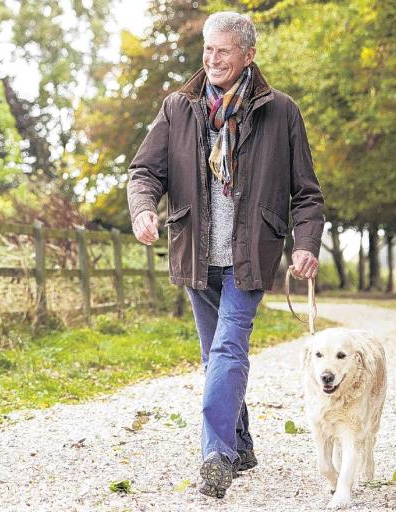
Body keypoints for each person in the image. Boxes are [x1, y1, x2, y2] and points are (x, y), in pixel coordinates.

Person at [127, 11, 325, 499]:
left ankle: (216, 455)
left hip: (249, 257)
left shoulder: (281, 112)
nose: (212, 59)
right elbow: (144, 172)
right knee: (214, 355)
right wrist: (144, 210)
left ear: (248, 56)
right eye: (208, 50)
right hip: (196, 254)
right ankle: (241, 442)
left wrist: (304, 245)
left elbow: (307, 193)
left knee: (227, 349)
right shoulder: (179, 108)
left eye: (223, 51)